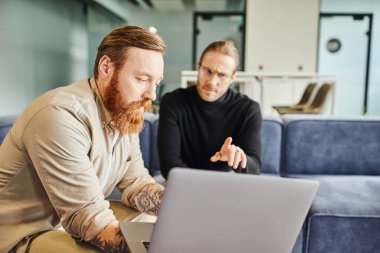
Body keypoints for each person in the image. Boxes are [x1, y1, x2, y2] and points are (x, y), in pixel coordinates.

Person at [0, 26, 166, 253]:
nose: (151, 95)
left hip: (66, 222)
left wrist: (178, 207)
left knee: (149, 220)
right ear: (106, 67)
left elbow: (136, 184)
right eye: (142, 79)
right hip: (21, 233)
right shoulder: (60, 114)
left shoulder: (123, 112)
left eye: (155, 82)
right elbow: (89, 221)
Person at [158, 41, 262, 179]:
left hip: (225, 183)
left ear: (233, 77)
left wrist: (237, 160)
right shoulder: (173, 102)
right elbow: (169, 164)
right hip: (183, 182)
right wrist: (203, 187)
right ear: (198, 67)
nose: (212, 82)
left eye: (222, 75)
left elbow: (255, 169)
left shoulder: (249, 109)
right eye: (208, 71)